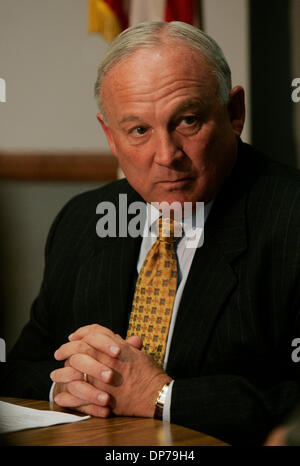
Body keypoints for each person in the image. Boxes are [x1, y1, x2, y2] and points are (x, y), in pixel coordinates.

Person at [1, 21, 300, 446]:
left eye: (188, 121)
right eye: (139, 130)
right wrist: (67, 384)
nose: (166, 156)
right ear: (111, 135)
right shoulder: (84, 219)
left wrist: (161, 396)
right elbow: (19, 368)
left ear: (235, 114)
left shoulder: (291, 218)